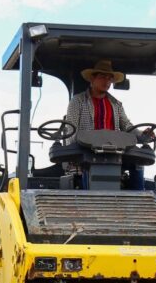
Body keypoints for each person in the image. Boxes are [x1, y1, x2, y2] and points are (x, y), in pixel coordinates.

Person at [64, 59, 150, 189]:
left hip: (115, 151)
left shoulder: (116, 104)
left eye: (109, 78)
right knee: (88, 164)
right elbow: (71, 128)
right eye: (102, 77)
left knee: (138, 162)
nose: (107, 81)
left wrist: (143, 134)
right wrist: (78, 149)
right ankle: (88, 201)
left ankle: (138, 202)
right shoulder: (78, 101)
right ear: (92, 79)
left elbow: (127, 126)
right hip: (88, 151)